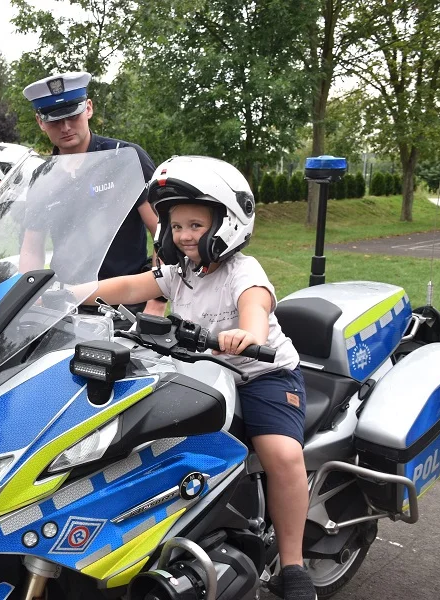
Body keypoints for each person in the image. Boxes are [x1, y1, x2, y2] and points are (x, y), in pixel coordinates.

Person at [79, 156, 315, 600]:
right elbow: (130, 288)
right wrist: (68, 293)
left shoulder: (243, 271)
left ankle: (293, 566)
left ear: (226, 224)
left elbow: (256, 307)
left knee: (281, 454)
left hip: (260, 374)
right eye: (177, 226)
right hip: (201, 376)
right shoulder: (180, 271)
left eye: (196, 225)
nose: (185, 236)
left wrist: (246, 334)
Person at [20, 71, 165, 316]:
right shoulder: (43, 176)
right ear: (40, 121)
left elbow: (162, 232)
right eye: (54, 120)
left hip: (125, 304)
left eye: (72, 115)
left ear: (88, 108)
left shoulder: (125, 158)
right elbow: (32, 249)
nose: (65, 127)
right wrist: (25, 299)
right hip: (64, 303)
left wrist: (156, 302)